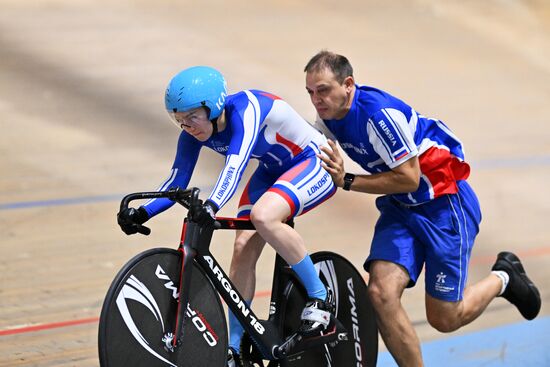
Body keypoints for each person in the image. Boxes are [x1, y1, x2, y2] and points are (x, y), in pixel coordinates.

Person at [303, 50, 541, 366]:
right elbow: (301, 146)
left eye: (323, 90)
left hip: (443, 205)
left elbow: (410, 177)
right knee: (381, 295)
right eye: (310, 92)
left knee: (444, 318)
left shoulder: (378, 116)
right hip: (402, 208)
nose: (316, 100)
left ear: (348, 84)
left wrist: (347, 181)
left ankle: (504, 277)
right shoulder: (330, 118)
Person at [117, 66, 339, 366]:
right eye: (179, 120)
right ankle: (234, 348)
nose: (187, 126)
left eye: (192, 117)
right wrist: (143, 212)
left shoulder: (244, 111)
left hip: (314, 160)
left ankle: (319, 296)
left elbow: (234, 166)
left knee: (264, 216)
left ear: (214, 106)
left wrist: (212, 206)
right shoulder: (192, 133)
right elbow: (176, 182)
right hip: (274, 169)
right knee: (241, 247)